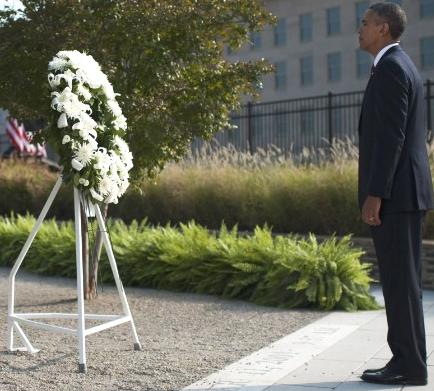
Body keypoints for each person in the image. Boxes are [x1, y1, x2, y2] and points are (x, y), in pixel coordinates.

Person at [358, 2, 433, 386]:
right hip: (404, 194)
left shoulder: (390, 69)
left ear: (384, 28)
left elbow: (391, 139)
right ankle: (407, 360)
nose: (361, 28)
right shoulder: (399, 66)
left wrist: (375, 194)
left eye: (366, 23)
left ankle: (409, 365)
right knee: (403, 284)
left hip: (396, 197)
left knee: (401, 284)